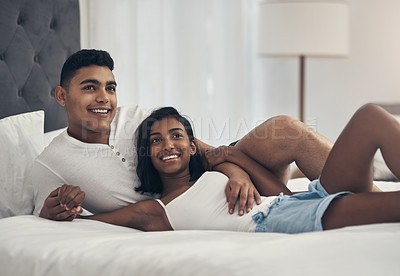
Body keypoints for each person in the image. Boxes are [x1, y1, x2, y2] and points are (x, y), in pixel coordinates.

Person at [33, 49, 332, 221]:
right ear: (61, 95)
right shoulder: (51, 162)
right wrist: (52, 210)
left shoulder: (136, 116)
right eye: (89, 87)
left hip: (219, 173)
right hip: (189, 204)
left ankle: (360, 191)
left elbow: (204, 151)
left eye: (110, 88)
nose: (104, 98)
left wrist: (238, 176)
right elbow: (38, 221)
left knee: (288, 129)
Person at [75, 104, 400, 234]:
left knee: (370, 116)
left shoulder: (219, 171)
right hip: (284, 221)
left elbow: (283, 195)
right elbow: (89, 223)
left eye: (177, 136)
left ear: (193, 146)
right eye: (156, 140)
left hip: (298, 205)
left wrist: (234, 161)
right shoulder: (157, 210)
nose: (168, 145)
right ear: (149, 154)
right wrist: (60, 209)